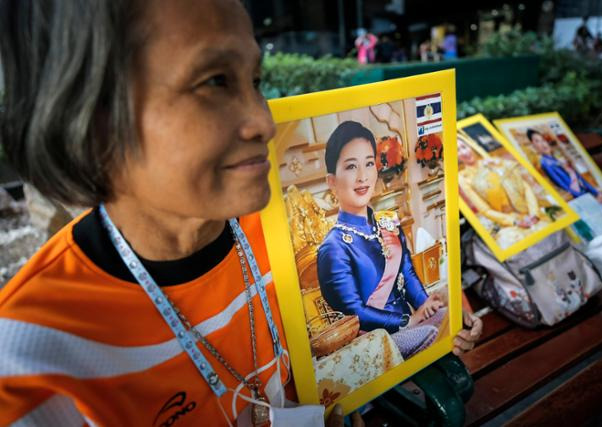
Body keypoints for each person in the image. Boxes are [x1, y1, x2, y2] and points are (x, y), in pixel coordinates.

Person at [0, 1, 480, 425]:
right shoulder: (30, 365)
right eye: (213, 82)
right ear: (87, 116)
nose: (264, 121)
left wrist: (445, 314)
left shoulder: (279, 234)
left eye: (254, 81)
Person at [317, 121, 446, 359]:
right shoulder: (333, 248)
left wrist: (425, 303)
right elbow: (354, 312)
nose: (363, 176)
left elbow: (406, 273)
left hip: (411, 326)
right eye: (351, 166)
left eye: (368, 163)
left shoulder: (387, 223)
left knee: (448, 317)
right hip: (375, 346)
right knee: (433, 334)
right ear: (332, 181)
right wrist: (407, 320)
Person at [457, 137, 545, 231]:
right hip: (510, 225)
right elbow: (484, 210)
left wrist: (534, 213)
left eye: (464, 147)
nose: (464, 152)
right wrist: (514, 222)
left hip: (530, 212)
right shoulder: (463, 178)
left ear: (470, 146)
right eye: (457, 150)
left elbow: (524, 186)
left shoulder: (494, 162)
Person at [526, 129, 602, 216]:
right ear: (533, 146)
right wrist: (592, 198)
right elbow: (566, 186)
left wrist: (595, 192)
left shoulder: (556, 158)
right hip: (581, 200)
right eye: (537, 141)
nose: (543, 144)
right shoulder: (546, 163)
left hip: (586, 194)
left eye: (543, 140)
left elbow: (579, 177)